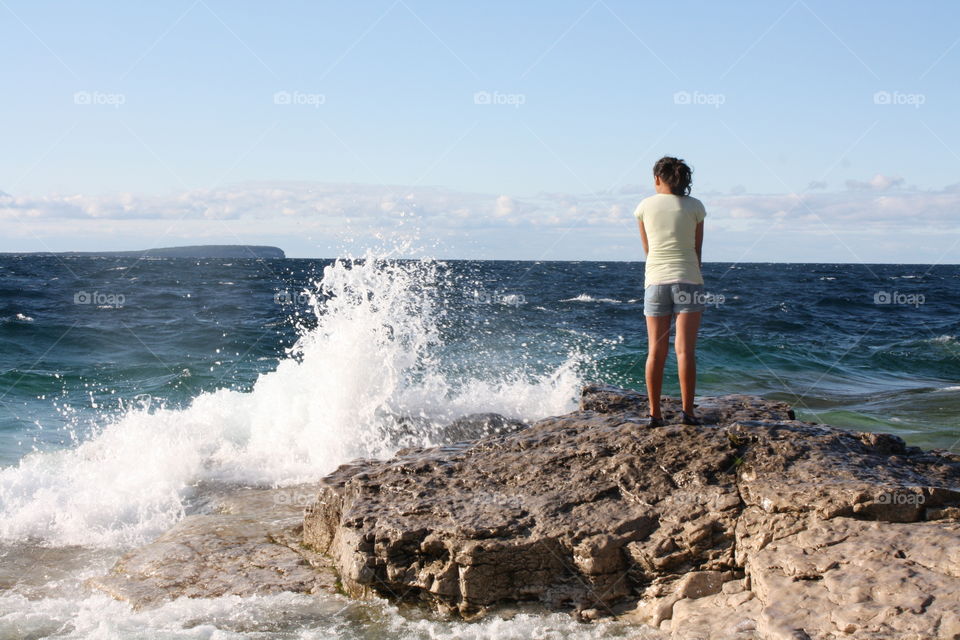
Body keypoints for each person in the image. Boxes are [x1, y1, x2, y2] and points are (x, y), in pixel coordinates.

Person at [634, 156, 706, 427]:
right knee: (685, 351)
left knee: (655, 350)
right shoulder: (695, 206)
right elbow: (696, 250)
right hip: (689, 279)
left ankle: (655, 414)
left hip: (655, 281)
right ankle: (688, 413)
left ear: (657, 178)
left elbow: (648, 250)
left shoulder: (644, 206)